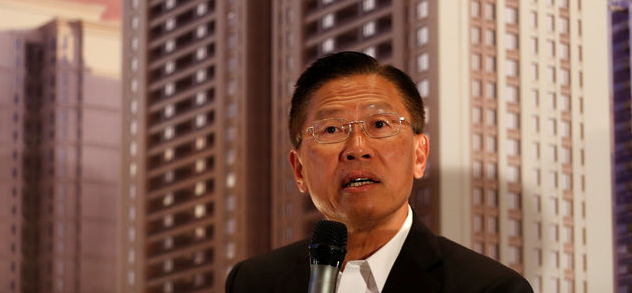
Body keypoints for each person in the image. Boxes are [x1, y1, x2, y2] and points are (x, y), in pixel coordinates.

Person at [226, 51, 533, 293]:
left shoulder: (490, 288)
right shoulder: (254, 282)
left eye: (379, 125)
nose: (357, 148)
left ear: (419, 155)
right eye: (331, 129)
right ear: (299, 170)